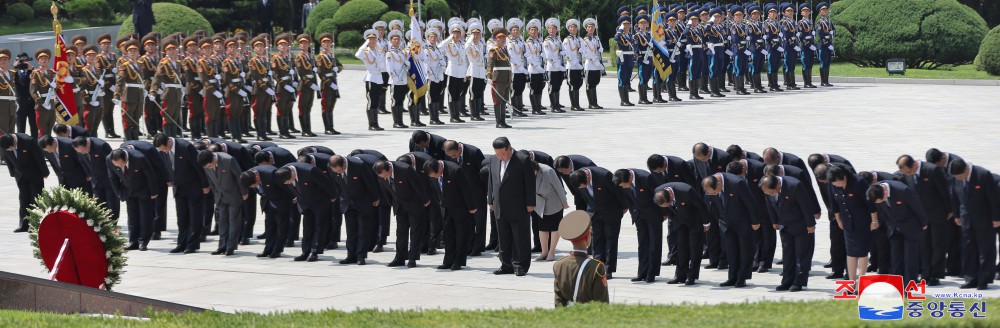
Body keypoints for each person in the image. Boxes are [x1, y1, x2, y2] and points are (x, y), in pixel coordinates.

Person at [896, 154, 952, 286]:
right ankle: (926, 274)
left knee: (937, 245)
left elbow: (945, 190)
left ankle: (935, 274)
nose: (909, 175)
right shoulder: (906, 174)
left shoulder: (932, 170)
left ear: (914, 165)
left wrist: (949, 210)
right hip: (920, 217)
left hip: (937, 213)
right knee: (924, 246)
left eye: (909, 172)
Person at [569, 166, 630, 279]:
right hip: (594, 213)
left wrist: (624, 207)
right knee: (596, 240)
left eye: (584, 185)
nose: (583, 187)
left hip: (611, 212)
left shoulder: (604, 175)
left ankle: (608, 269)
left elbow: (618, 192)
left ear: (587, 177)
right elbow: (585, 197)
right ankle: (596, 266)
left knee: (610, 240)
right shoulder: (577, 178)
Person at [948, 159, 1000, 290]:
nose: (959, 179)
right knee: (968, 247)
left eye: (961, 177)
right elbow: (954, 195)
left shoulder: (983, 174)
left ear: (966, 169)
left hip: (984, 217)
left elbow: (993, 198)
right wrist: (957, 215)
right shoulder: (955, 177)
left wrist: (996, 218)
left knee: (986, 248)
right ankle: (970, 278)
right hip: (966, 217)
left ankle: (984, 278)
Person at [702, 172, 761, 288]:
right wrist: (719, 221)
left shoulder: (737, 183)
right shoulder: (710, 185)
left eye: (714, 192)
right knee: (731, 251)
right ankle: (732, 277)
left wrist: (755, 221)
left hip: (743, 222)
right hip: (726, 223)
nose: (713, 194)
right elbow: (714, 206)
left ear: (719, 184)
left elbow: (750, 203)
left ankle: (742, 278)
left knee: (744, 250)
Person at [760, 174, 817, 291]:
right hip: (784, 225)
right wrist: (774, 221)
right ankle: (787, 281)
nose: (769, 194)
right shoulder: (768, 189)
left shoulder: (794, 186)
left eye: (771, 192)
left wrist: (810, 224)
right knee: (787, 255)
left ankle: (798, 282)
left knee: (801, 255)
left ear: (778, 185)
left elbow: (805, 205)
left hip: (801, 225)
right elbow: (769, 204)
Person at [488, 137, 535, 276]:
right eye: (498, 154)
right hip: (499, 206)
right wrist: (491, 200)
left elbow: (529, 182)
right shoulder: (493, 160)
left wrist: (530, 203)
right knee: (504, 238)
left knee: (520, 238)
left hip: (518, 205)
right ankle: (506, 265)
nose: (500, 157)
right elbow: (491, 181)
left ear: (510, 148)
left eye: (503, 154)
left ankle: (520, 265)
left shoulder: (522, 159)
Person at [867, 179, 928, 286]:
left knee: (910, 257)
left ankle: (909, 284)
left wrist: (923, 223)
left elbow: (917, 206)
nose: (880, 203)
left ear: (885, 192)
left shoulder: (903, 190)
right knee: (895, 257)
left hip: (910, 225)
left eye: (881, 200)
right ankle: (896, 283)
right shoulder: (873, 190)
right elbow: (873, 206)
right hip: (893, 227)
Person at [154, 134, 209, 253]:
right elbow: (168, 166)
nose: (163, 151)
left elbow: (198, 166)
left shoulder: (185, 147)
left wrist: (205, 185)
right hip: (178, 188)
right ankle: (181, 243)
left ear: (169, 142)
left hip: (193, 187)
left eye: (163, 148)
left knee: (194, 217)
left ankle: (192, 245)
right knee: (182, 218)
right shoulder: (164, 151)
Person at [374, 159, 430, 267]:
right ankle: (399, 257)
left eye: (386, 175)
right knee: (400, 233)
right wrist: (392, 203)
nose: (385, 178)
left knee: (415, 233)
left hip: (414, 204)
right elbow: (386, 190)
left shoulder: (405, 170)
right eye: (383, 177)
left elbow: (418, 186)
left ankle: (412, 258)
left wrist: (425, 200)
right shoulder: (380, 173)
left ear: (390, 168)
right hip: (399, 205)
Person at [826, 163, 876, 284]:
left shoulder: (859, 183)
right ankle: (851, 281)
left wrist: (874, 220)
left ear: (844, 176)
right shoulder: (833, 185)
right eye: (833, 184)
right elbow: (834, 204)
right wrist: (838, 220)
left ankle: (861, 281)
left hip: (862, 221)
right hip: (847, 222)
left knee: (862, 252)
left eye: (837, 182)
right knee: (851, 252)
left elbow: (870, 203)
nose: (835, 185)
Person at [553, 210, 609, 307]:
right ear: (587, 238)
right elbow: (602, 305)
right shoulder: (596, 267)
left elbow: (559, 302)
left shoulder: (559, 265)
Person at [107, 147, 159, 250]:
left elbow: (150, 175)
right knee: (132, 217)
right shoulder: (109, 159)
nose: (120, 167)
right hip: (128, 191)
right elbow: (112, 177)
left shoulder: (139, 158)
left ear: (126, 158)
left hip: (143, 190)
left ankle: (143, 241)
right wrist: (118, 193)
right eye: (117, 165)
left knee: (145, 216)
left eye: (122, 164)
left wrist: (154, 192)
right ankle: (133, 241)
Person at [198, 149, 246, 256]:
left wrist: (244, 192)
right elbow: (211, 181)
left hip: (233, 195)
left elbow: (240, 177)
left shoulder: (228, 160)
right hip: (220, 196)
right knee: (222, 222)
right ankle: (222, 246)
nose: (208, 168)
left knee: (234, 221)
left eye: (209, 166)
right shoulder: (206, 164)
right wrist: (216, 194)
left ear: (214, 159)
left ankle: (231, 247)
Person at [1, 133, 49, 232]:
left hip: (34, 174)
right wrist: (12, 173)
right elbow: (7, 158)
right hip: (20, 176)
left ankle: (36, 224)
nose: (10, 150)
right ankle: (23, 224)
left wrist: (45, 172)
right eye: (8, 149)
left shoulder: (28, 141)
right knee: (23, 200)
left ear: (14, 142)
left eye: (11, 148)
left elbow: (39, 157)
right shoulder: (4, 143)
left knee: (36, 199)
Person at [532, 157, 568, 261]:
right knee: (542, 227)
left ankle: (551, 252)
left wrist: (564, 202)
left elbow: (559, 187)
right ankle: (544, 252)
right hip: (539, 202)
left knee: (554, 227)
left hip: (554, 201)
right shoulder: (524, 172)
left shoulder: (548, 171)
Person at [150, 39, 184, 138]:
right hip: (169, 92)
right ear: (166, 51)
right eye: (170, 50)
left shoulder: (177, 63)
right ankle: (166, 137)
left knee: (175, 116)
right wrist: (153, 91)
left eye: (174, 49)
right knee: (168, 116)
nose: (173, 51)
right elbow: (157, 78)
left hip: (177, 92)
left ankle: (172, 137)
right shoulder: (163, 64)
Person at [115, 40, 144, 141]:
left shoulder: (140, 64)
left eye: (134, 50)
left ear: (138, 52)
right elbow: (120, 81)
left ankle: (135, 139)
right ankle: (128, 139)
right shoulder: (125, 65)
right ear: (127, 52)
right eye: (130, 51)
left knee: (137, 117)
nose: (132, 52)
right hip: (129, 94)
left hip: (139, 94)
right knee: (128, 118)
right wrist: (117, 94)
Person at [316, 33, 344, 134]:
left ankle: (331, 127)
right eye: (324, 42)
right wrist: (328, 83)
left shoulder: (332, 56)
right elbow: (320, 73)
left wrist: (338, 69)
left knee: (331, 106)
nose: (326, 44)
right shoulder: (320, 57)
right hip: (326, 85)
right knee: (326, 106)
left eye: (328, 42)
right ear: (321, 44)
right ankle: (327, 128)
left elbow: (341, 66)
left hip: (334, 82)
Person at [487, 28, 513, 128]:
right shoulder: (494, 50)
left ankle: (503, 121)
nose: (502, 40)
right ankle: (498, 122)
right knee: (498, 100)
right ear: (496, 40)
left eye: (503, 38)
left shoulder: (505, 50)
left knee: (504, 100)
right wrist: (489, 76)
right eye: (500, 38)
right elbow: (490, 64)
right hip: (498, 79)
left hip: (506, 78)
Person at [294, 34, 318, 137]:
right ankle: (304, 130)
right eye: (301, 43)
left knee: (308, 107)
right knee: (302, 108)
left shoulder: (311, 56)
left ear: (309, 44)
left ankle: (309, 129)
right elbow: (301, 72)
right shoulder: (299, 57)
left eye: (306, 43)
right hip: (304, 85)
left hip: (311, 85)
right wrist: (310, 83)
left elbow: (314, 70)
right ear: (299, 46)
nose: (304, 45)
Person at [580, 18, 604, 109]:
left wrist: (601, 49)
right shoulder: (584, 40)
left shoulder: (596, 39)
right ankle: (591, 103)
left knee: (595, 82)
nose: (591, 28)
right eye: (589, 27)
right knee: (590, 84)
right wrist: (593, 61)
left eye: (592, 27)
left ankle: (595, 102)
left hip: (597, 64)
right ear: (586, 29)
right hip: (590, 64)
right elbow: (585, 52)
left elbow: (600, 49)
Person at [12, 51, 36, 138]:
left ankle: (34, 144)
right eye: (22, 61)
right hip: (20, 103)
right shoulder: (14, 73)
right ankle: (21, 144)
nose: (24, 62)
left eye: (26, 60)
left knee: (34, 125)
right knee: (20, 126)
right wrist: (15, 68)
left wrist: (32, 69)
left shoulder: (33, 71)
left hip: (32, 103)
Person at [613, 16, 635, 106]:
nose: (626, 26)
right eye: (624, 24)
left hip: (629, 58)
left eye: (628, 24)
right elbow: (616, 38)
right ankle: (623, 100)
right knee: (622, 79)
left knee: (627, 79)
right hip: (623, 59)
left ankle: (627, 100)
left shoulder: (630, 35)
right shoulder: (620, 35)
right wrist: (620, 30)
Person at [779, 2, 800, 90]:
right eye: (788, 11)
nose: (790, 12)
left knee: (792, 64)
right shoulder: (783, 22)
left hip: (794, 46)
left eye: (791, 11)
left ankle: (792, 83)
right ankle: (789, 84)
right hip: (788, 46)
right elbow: (787, 36)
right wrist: (793, 45)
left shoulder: (793, 22)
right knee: (788, 64)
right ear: (784, 13)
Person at [814, 2, 835, 87]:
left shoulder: (829, 21)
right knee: (823, 62)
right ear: (820, 12)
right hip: (823, 45)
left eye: (826, 9)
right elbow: (820, 34)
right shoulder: (820, 22)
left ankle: (826, 80)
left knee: (827, 62)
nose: (825, 11)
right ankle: (823, 81)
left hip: (828, 44)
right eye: (823, 10)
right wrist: (827, 43)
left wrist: (832, 33)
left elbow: (834, 30)